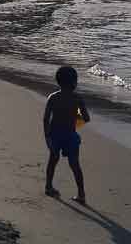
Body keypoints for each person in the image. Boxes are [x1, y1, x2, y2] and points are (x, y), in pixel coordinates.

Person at [43, 66, 91, 205]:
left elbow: (46, 119)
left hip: (54, 134)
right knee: (75, 165)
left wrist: (47, 137)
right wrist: (74, 119)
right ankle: (81, 194)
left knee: (53, 160)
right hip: (70, 135)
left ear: (58, 81)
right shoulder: (77, 98)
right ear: (74, 83)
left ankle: (48, 186)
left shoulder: (53, 97)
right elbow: (86, 118)